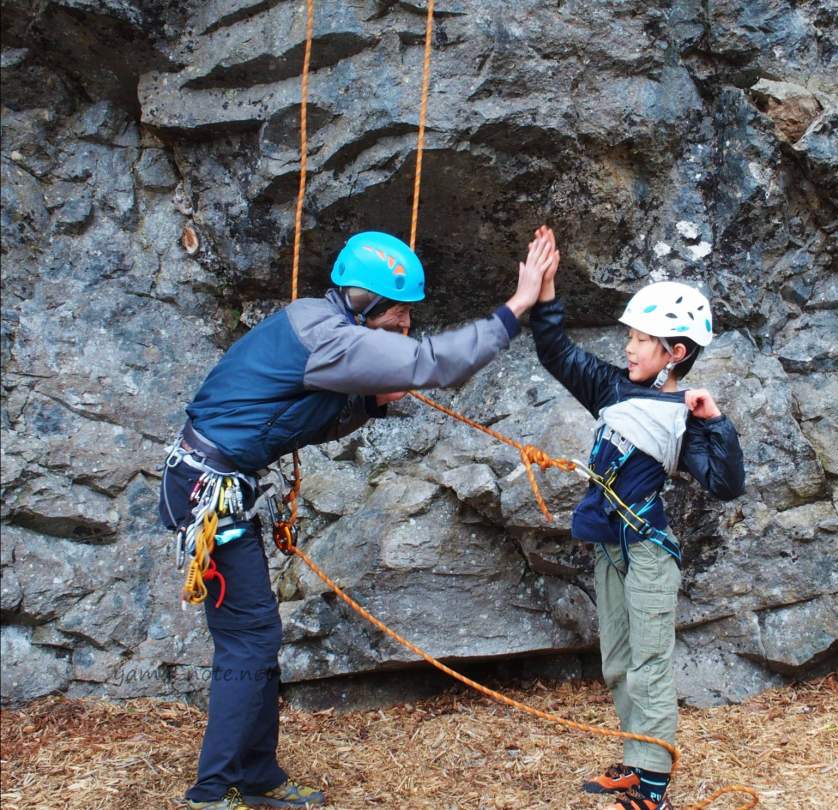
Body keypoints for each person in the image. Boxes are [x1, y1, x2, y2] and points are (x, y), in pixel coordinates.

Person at [159, 230, 557, 810]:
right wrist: (517, 306)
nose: (403, 331)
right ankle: (213, 792)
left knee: (254, 636)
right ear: (366, 301)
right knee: (251, 639)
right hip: (208, 491)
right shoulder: (329, 337)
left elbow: (296, 420)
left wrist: (370, 403)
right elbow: (433, 363)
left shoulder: (317, 326)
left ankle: (259, 776)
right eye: (398, 318)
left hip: (212, 483)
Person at [528, 227, 745, 810]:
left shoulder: (684, 417)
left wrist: (716, 421)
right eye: (629, 337)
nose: (629, 348)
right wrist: (547, 293)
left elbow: (726, 485)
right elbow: (557, 354)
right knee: (619, 660)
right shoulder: (613, 389)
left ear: (675, 353)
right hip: (610, 545)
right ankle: (634, 758)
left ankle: (654, 787)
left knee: (649, 662)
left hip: (649, 549)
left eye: (643, 341)